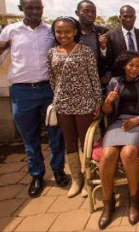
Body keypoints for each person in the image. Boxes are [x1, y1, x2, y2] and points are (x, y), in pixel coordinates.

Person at [0, 0, 69, 197]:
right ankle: (37, 174)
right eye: (30, 8)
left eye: (38, 8)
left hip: (49, 89)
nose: (35, 12)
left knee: (56, 134)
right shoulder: (10, 31)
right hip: (22, 91)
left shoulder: (51, 31)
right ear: (21, 8)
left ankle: (58, 170)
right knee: (29, 137)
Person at [99, 51, 139, 229]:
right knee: (108, 154)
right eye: (131, 65)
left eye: (138, 66)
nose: (134, 69)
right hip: (118, 122)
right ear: (124, 65)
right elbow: (106, 111)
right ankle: (108, 203)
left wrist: (137, 120)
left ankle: (134, 199)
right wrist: (108, 101)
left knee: (128, 152)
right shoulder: (115, 82)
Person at [47, 17, 102, 198]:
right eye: (59, 32)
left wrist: (97, 102)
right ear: (55, 33)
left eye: (67, 31)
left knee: (86, 141)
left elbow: (94, 78)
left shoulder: (85, 52)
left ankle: (89, 177)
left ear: (75, 32)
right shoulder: (52, 53)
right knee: (69, 142)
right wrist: (58, 99)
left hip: (84, 102)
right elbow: (53, 79)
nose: (63, 35)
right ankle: (77, 179)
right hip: (63, 104)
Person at [75, 0, 109, 87]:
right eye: (86, 11)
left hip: (99, 82)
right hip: (75, 82)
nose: (90, 14)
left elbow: (110, 57)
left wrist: (107, 75)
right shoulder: (71, 33)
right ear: (77, 13)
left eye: (93, 12)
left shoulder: (103, 32)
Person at [105, 5, 139, 77]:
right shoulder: (110, 35)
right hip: (119, 77)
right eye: (125, 16)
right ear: (120, 17)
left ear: (135, 17)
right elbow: (108, 60)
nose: (128, 19)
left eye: (131, 16)